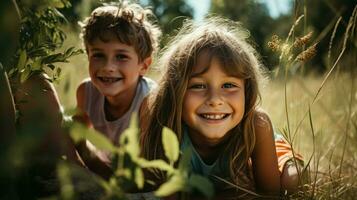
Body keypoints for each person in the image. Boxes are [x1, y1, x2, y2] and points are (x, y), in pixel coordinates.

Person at [141, 17, 304, 199]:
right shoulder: (164, 125)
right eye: (198, 86)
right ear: (175, 92)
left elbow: (270, 194)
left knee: (293, 183)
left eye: (228, 85)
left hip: (273, 150)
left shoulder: (258, 125)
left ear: (247, 92)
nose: (215, 100)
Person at [74, 1, 161, 179]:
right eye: (98, 55)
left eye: (121, 56)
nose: (108, 67)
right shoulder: (86, 92)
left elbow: (150, 165)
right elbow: (79, 141)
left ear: (144, 65)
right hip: (105, 168)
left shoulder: (148, 100)